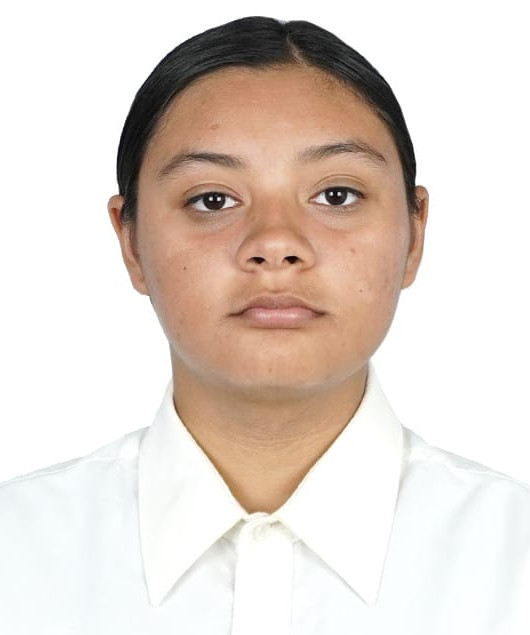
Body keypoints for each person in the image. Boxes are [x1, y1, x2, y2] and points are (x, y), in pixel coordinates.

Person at [0, 15, 528, 634]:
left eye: (336, 195)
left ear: (414, 235)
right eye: (213, 200)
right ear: (131, 242)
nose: (276, 244)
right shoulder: (17, 557)